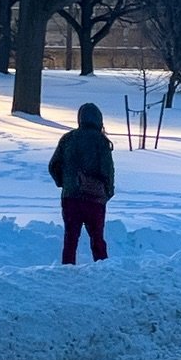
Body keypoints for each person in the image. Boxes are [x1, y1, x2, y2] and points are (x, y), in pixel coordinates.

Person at [48, 101, 115, 264]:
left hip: (71, 197)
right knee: (97, 239)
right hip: (94, 200)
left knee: (70, 239)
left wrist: (64, 183)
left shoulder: (68, 138)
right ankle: (102, 269)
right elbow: (107, 170)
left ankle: (67, 270)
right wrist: (107, 192)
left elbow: (53, 165)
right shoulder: (101, 141)